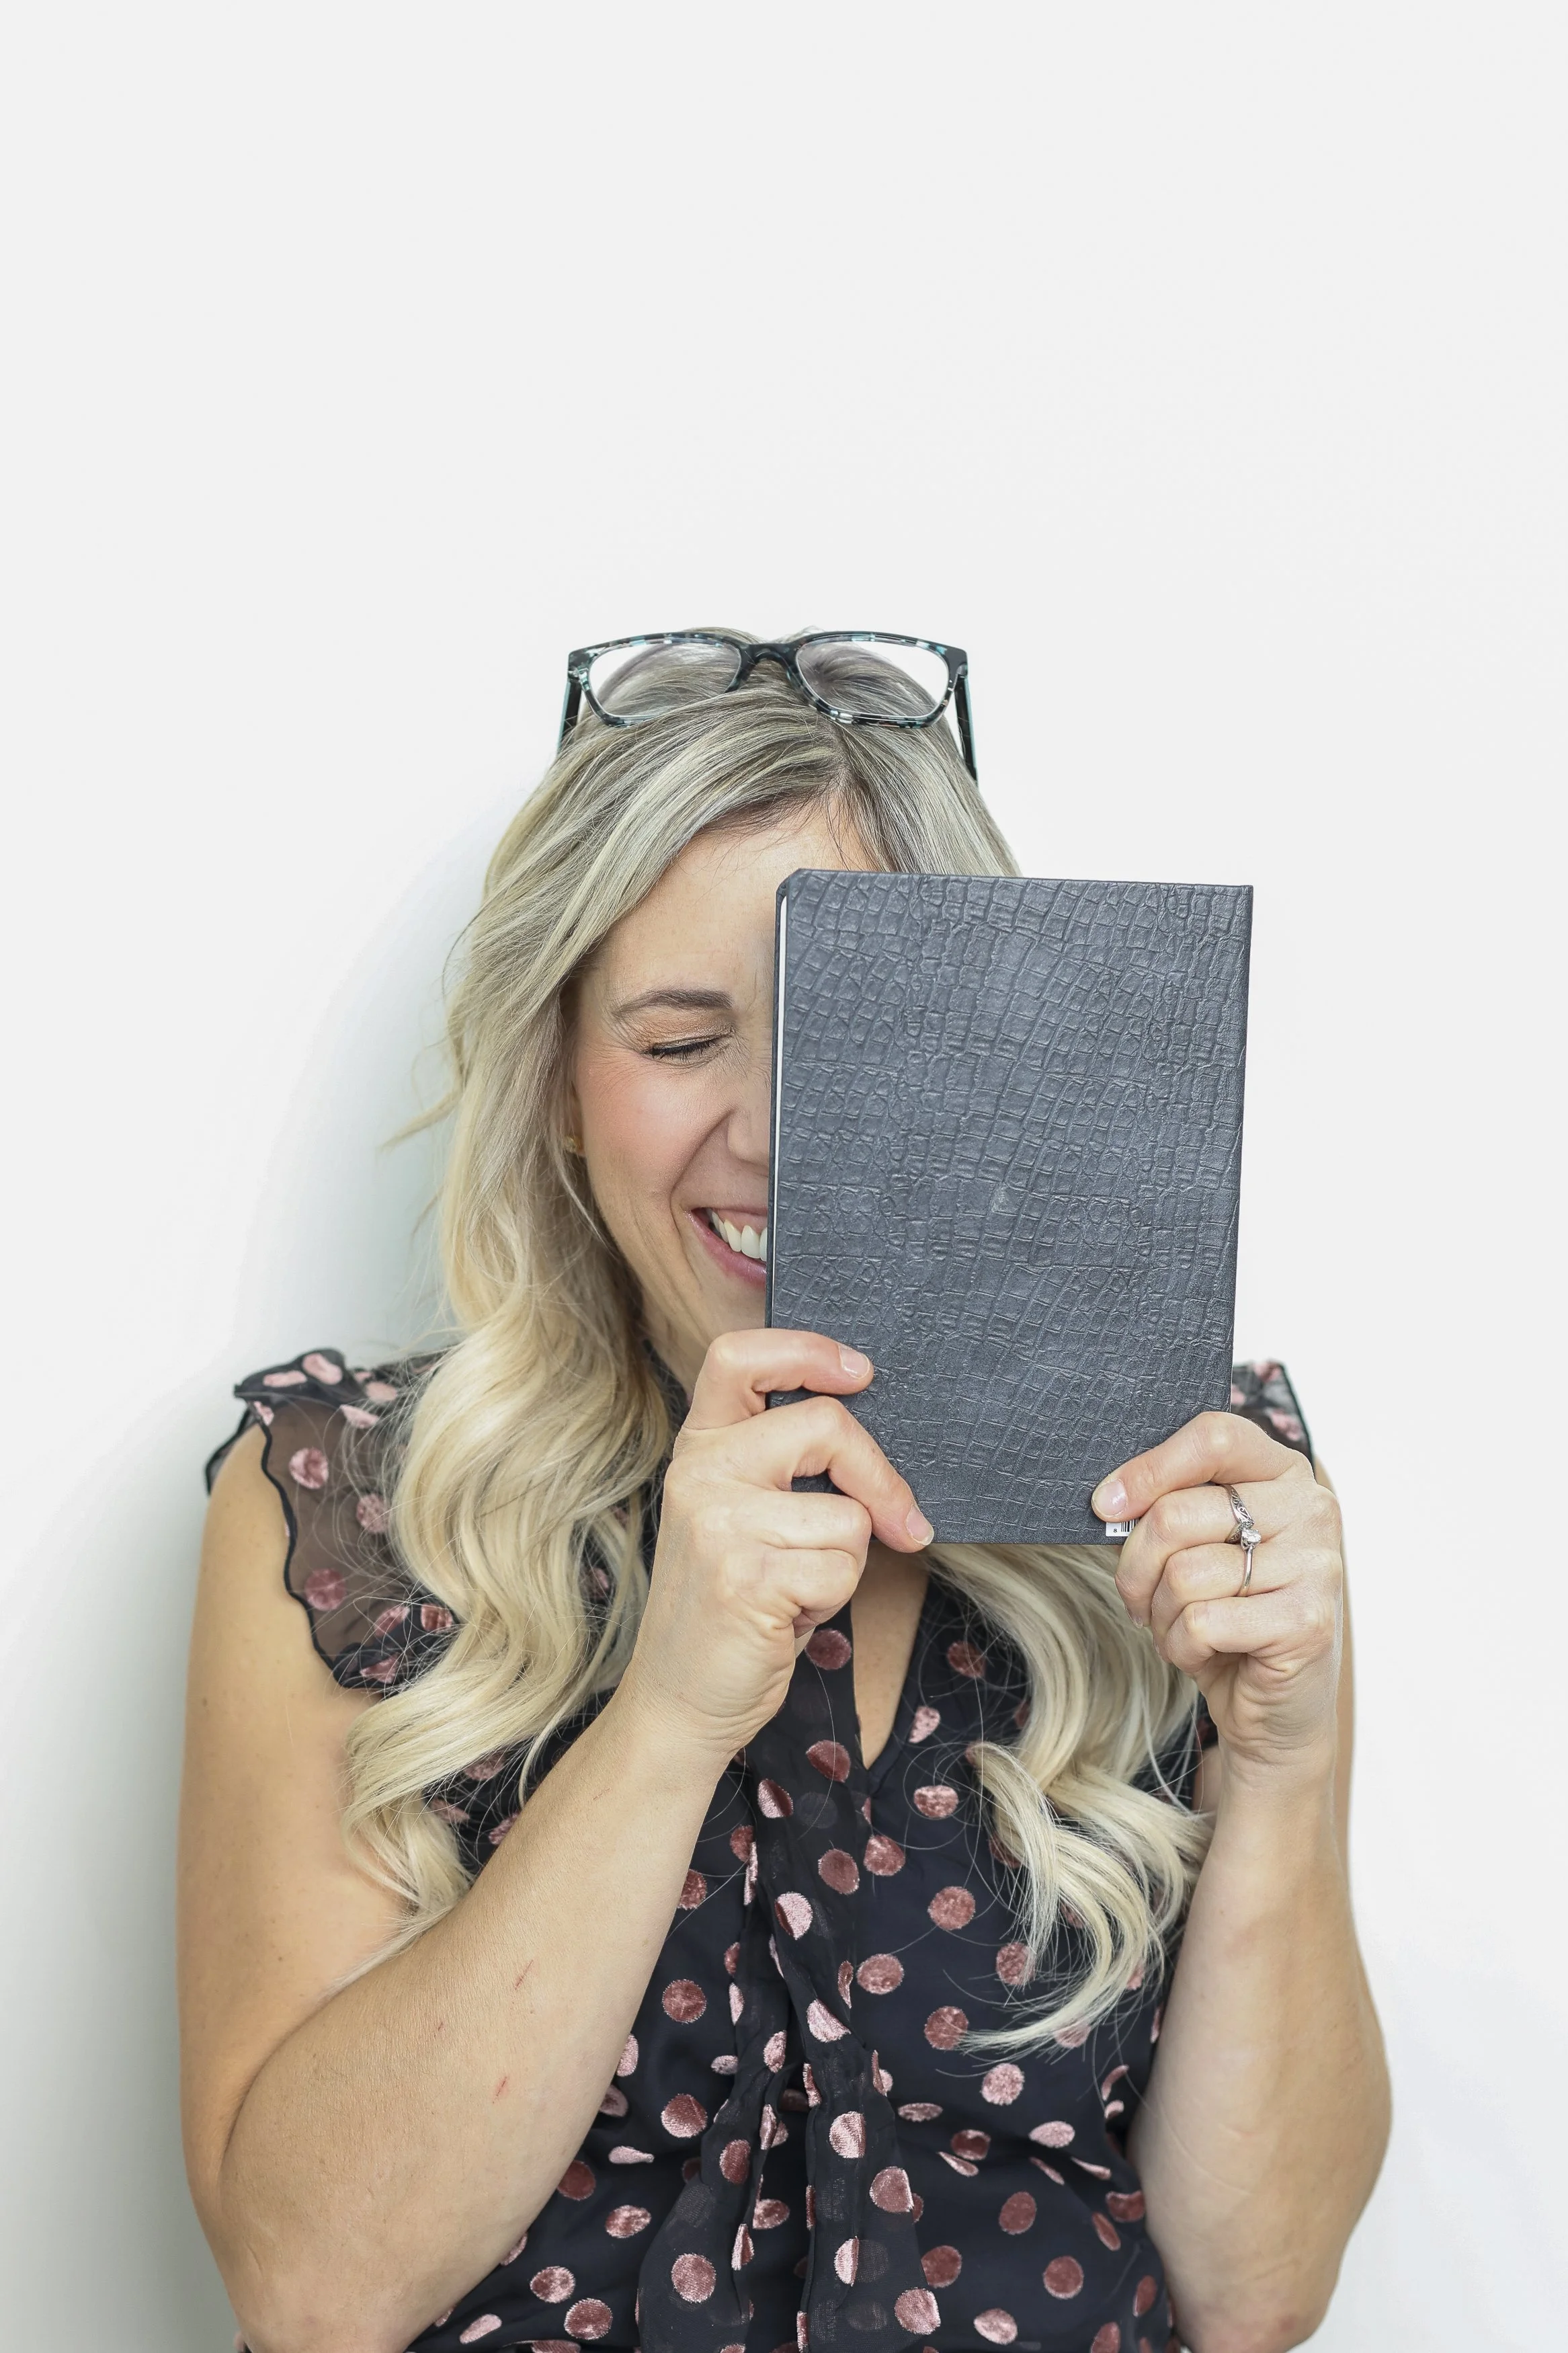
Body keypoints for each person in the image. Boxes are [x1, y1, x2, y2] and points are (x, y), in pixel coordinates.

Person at [179, 633, 1389, 2353]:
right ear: (554, 1088)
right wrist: (668, 1709)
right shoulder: (351, 1501)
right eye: (679, 1039)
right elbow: (308, 2290)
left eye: (853, 1043)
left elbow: (1257, 2296)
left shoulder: (1192, 1479)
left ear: (998, 1057)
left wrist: (1287, 1761)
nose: (767, 1132)